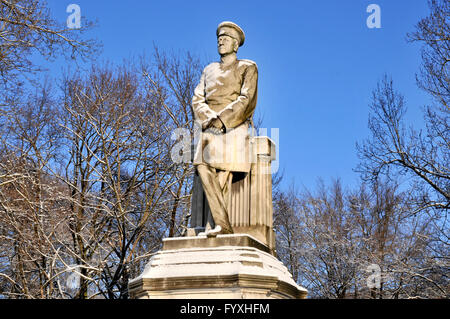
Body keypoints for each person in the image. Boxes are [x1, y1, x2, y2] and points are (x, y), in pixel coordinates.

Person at [192, 21, 258, 235]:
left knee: (222, 171)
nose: (221, 41)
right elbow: (197, 99)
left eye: (226, 38)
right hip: (209, 126)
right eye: (219, 38)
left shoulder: (247, 67)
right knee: (202, 163)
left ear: (236, 45)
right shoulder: (208, 69)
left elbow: (247, 99)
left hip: (234, 126)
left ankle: (219, 225)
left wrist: (222, 120)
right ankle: (221, 225)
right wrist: (209, 118)